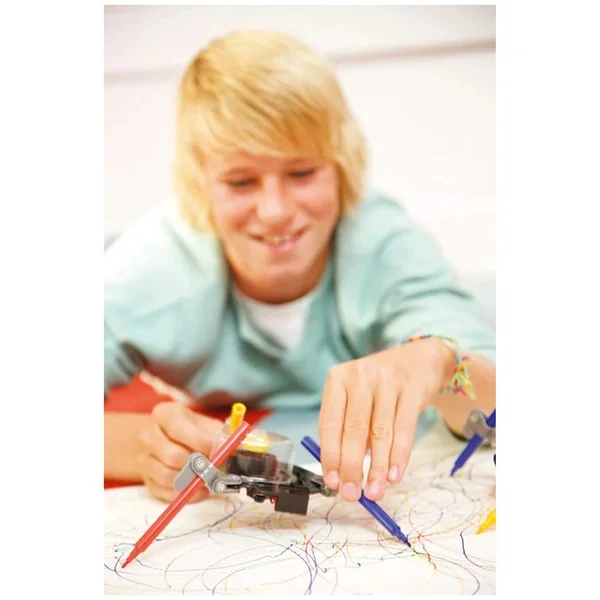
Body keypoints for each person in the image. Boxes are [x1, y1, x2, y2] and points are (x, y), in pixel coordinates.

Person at [104, 30, 496, 506]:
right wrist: (141, 446)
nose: (275, 211)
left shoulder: (386, 245)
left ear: (344, 167)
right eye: (241, 181)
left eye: (302, 173)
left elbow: (495, 401)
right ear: (198, 184)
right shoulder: (151, 269)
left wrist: (442, 360)